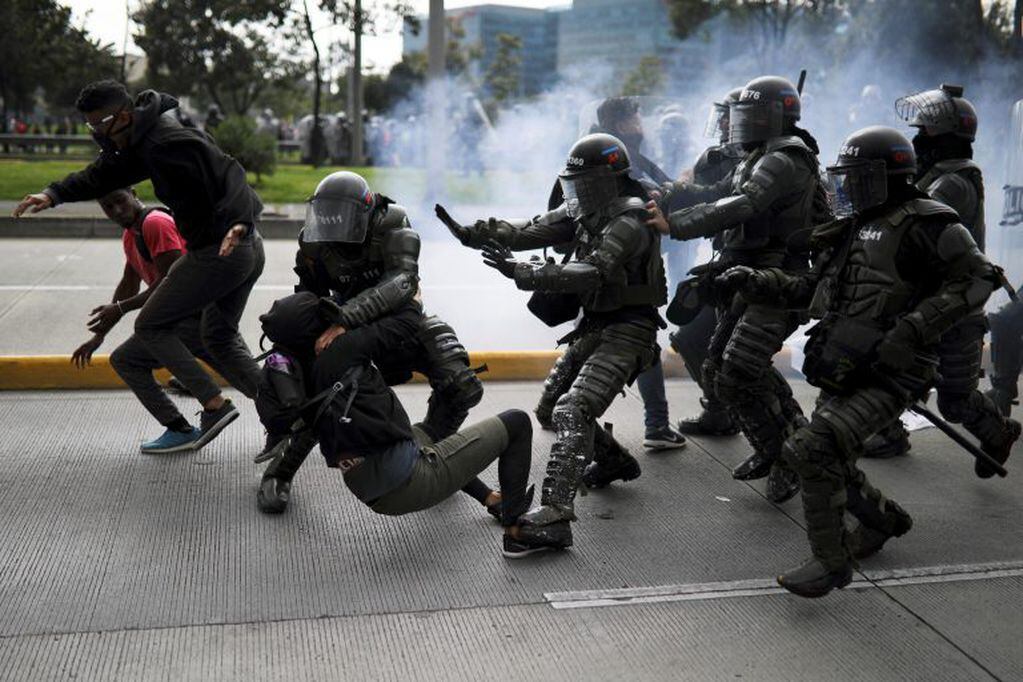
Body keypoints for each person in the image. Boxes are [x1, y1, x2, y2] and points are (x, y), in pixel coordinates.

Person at [719, 126, 1009, 597]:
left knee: (812, 448)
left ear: (886, 177)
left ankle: (832, 563)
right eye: (844, 178)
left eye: (857, 178)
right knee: (821, 453)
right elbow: (817, 292)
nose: (846, 187)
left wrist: (913, 329)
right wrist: (756, 281)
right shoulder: (851, 226)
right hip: (848, 361)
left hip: (897, 368)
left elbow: (980, 278)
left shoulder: (931, 222)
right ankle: (881, 520)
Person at [444, 133, 666, 554]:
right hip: (595, 326)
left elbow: (592, 271)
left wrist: (524, 274)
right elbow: (530, 229)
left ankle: (556, 517)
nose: (576, 195)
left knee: (572, 408)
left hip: (630, 329)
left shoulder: (628, 220)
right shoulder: (588, 211)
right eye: (574, 185)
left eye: (585, 185)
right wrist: (472, 233)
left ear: (610, 181)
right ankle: (616, 460)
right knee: (549, 408)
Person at [13, 80, 265, 451]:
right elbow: (101, 174)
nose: (97, 134)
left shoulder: (165, 143)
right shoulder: (139, 143)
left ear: (125, 116)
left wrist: (239, 220)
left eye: (100, 125)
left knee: (151, 324)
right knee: (219, 338)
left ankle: (214, 405)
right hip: (234, 248)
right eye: (90, 127)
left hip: (223, 248)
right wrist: (53, 194)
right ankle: (290, 417)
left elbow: (230, 171)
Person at [254, 171, 498, 517]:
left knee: (461, 385)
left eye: (343, 220)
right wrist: (308, 341)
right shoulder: (312, 242)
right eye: (328, 220)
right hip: (343, 328)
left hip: (398, 322)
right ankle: (280, 471)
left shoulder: (393, 225)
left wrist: (347, 318)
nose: (334, 229)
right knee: (321, 392)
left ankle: (436, 452)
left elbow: (402, 282)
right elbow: (309, 297)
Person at [648, 75, 828, 503]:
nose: (741, 124)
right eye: (740, 115)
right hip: (745, 276)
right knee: (723, 369)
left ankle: (795, 453)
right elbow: (715, 190)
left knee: (742, 367)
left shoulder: (784, 158)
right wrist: (669, 194)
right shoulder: (758, 155)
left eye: (752, 115)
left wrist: (676, 224)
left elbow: (743, 205)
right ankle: (778, 446)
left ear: (776, 118)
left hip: (779, 278)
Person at [253, 290, 537, 557]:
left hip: (370, 484)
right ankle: (516, 532)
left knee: (431, 433)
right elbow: (409, 319)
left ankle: (490, 499)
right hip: (409, 480)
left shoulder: (299, 371)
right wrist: (405, 293)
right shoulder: (344, 348)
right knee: (517, 422)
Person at [863, 85, 1020, 470]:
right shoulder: (937, 176)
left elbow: (915, 225)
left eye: (926, 133)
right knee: (896, 365)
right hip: (931, 297)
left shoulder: (951, 184)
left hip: (956, 304)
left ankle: (999, 432)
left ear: (947, 138)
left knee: (956, 400)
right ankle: (888, 432)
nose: (918, 139)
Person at [71, 188, 212, 452]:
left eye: (120, 201)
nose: (116, 211)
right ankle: (284, 416)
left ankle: (189, 424)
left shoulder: (155, 223)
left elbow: (172, 282)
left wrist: (120, 308)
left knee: (127, 360)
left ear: (133, 193)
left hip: (190, 317)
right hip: (180, 317)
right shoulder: (132, 233)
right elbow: (130, 281)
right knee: (243, 375)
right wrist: (99, 334)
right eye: (107, 206)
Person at [585, 96, 686, 451]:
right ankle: (655, 425)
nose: (642, 122)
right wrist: (675, 189)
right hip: (622, 268)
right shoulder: (612, 156)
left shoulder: (615, 150)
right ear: (623, 121)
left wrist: (676, 187)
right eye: (636, 116)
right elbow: (643, 192)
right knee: (639, 341)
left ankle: (565, 413)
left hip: (616, 265)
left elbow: (657, 182)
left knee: (600, 343)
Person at [669, 87, 744, 439]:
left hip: (762, 270)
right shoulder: (720, 157)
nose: (725, 122)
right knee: (691, 339)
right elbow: (700, 191)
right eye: (724, 114)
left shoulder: (775, 160)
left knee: (735, 354)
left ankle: (742, 416)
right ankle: (720, 410)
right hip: (729, 264)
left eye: (732, 114)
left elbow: (726, 203)